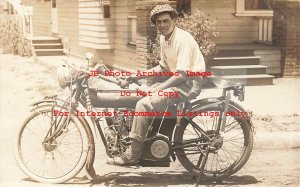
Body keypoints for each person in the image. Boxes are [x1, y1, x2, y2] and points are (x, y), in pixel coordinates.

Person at [107, 4, 206, 166]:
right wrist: (135, 77)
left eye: (166, 21)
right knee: (139, 95)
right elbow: (163, 67)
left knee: (144, 104)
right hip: (178, 81)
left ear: (174, 20)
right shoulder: (164, 38)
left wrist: (158, 89)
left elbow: (182, 74)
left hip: (189, 84)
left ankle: (133, 154)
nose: (162, 25)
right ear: (155, 24)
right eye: (158, 22)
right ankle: (146, 137)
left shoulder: (183, 39)